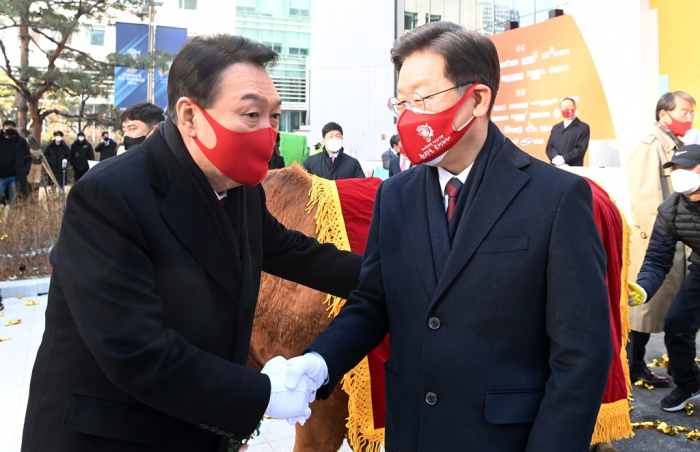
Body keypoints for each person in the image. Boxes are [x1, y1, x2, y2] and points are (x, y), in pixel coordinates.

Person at [280, 21, 612, 451]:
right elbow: (373, 302)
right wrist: (319, 362)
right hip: (412, 433)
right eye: (400, 103)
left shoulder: (556, 197)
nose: (407, 116)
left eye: (421, 99)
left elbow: (581, 353)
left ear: (476, 99)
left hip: (505, 438)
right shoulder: (395, 196)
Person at [21, 34, 362, 452]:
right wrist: (261, 393)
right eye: (251, 115)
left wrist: (394, 278)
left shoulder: (240, 190)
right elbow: (135, 350)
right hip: (115, 434)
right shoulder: (110, 196)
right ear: (189, 116)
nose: (267, 133)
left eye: (274, 117)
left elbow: (295, 253)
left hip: (195, 426)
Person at [626, 91, 696, 387]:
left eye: (692, 112)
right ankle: (633, 365)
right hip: (659, 239)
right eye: (684, 112)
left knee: (673, 314)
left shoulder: (678, 144)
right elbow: (646, 199)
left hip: (680, 240)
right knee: (645, 311)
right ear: (664, 114)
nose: (689, 118)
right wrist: (667, 235)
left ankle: (677, 368)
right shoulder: (650, 146)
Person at [632, 144, 700, 411]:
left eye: (688, 169)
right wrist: (643, 288)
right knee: (676, 324)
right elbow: (658, 258)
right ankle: (689, 384)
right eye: (676, 170)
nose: (680, 174)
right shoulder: (670, 210)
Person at [545, 97, 591, 167]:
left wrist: (564, 159)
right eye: (563, 107)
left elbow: (581, 149)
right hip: (555, 167)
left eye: (569, 106)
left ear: (575, 109)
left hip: (573, 168)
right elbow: (549, 147)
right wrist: (555, 157)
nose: (566, 109)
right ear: (560, 110)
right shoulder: (556, 128)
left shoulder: (583, 127)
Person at [0, 120, 31, 202]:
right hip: (1, 177)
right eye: (7, 127)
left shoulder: (20, 142)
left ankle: (11, 215)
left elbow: (28, 157)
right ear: (3, 129)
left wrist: (25, 170)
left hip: (14, 177)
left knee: (13, 201)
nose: (10, 129)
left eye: (12, 127)